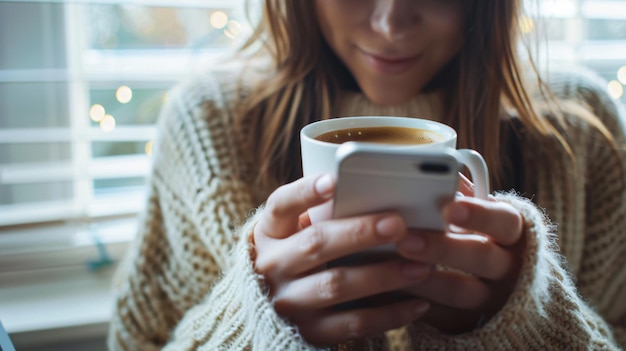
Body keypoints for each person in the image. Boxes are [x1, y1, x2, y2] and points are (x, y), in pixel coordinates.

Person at [108, 0, 626, 350]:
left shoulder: (580, 130)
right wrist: (252, 326)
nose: (391, 23)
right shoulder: (208, 124)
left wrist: (529, 324)